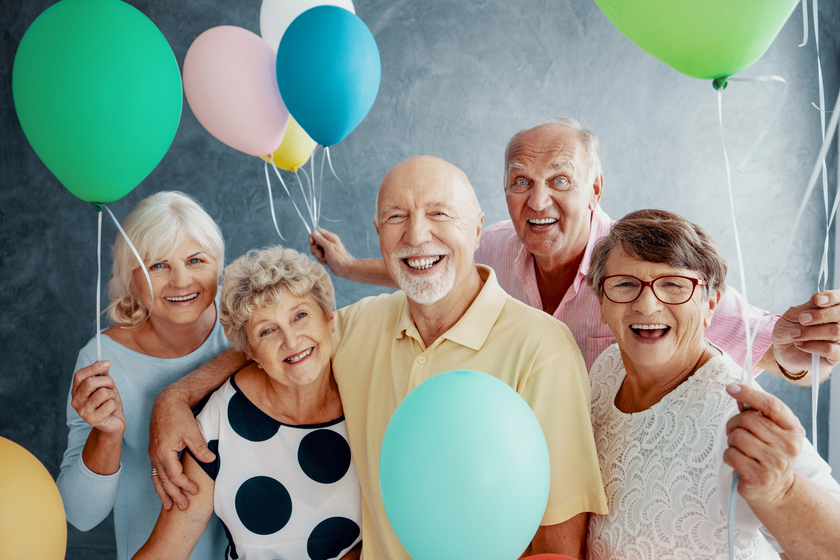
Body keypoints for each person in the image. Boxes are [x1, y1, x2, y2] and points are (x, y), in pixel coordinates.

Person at [148, 156, 607, 559]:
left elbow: (559, 545)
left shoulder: (544, 350)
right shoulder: (357, 326)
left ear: (478, 227)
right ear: (378, 235)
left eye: (439, 213)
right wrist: (176, 397)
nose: (417, 233)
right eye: (395, 217)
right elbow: (275, 344)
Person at [308, 119, 840, 380]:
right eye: (521, 182)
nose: (538, 201)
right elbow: (429, 264)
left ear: (595, 189)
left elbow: (765, 340)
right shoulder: (494, 243)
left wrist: (801, 350)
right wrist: (351, 265)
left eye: (560, 180)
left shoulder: (647, 265)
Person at [583, 209, 840, 559]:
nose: (646, 305)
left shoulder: (735, 412)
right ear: (601, 301)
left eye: (673, 285)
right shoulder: (607, 367)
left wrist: (783, 490)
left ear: (711, 304)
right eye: (625, 284)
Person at [134, 247, 361, 560]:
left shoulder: (367, 394)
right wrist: (173, 397)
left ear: (329, 319)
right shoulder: (220, 421)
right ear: (250, 353)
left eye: (300, 316)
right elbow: (165, 552)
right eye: (266, 330)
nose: (291, 341)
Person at [56, 192, 229, 560]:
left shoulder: (251, 326)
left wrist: (175, 396)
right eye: (157, 265)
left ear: (218, 266)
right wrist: (107, 437)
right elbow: (80, 516)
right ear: (129, 281)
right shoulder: (101, 361)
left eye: (196, 260)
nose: (181, 281)